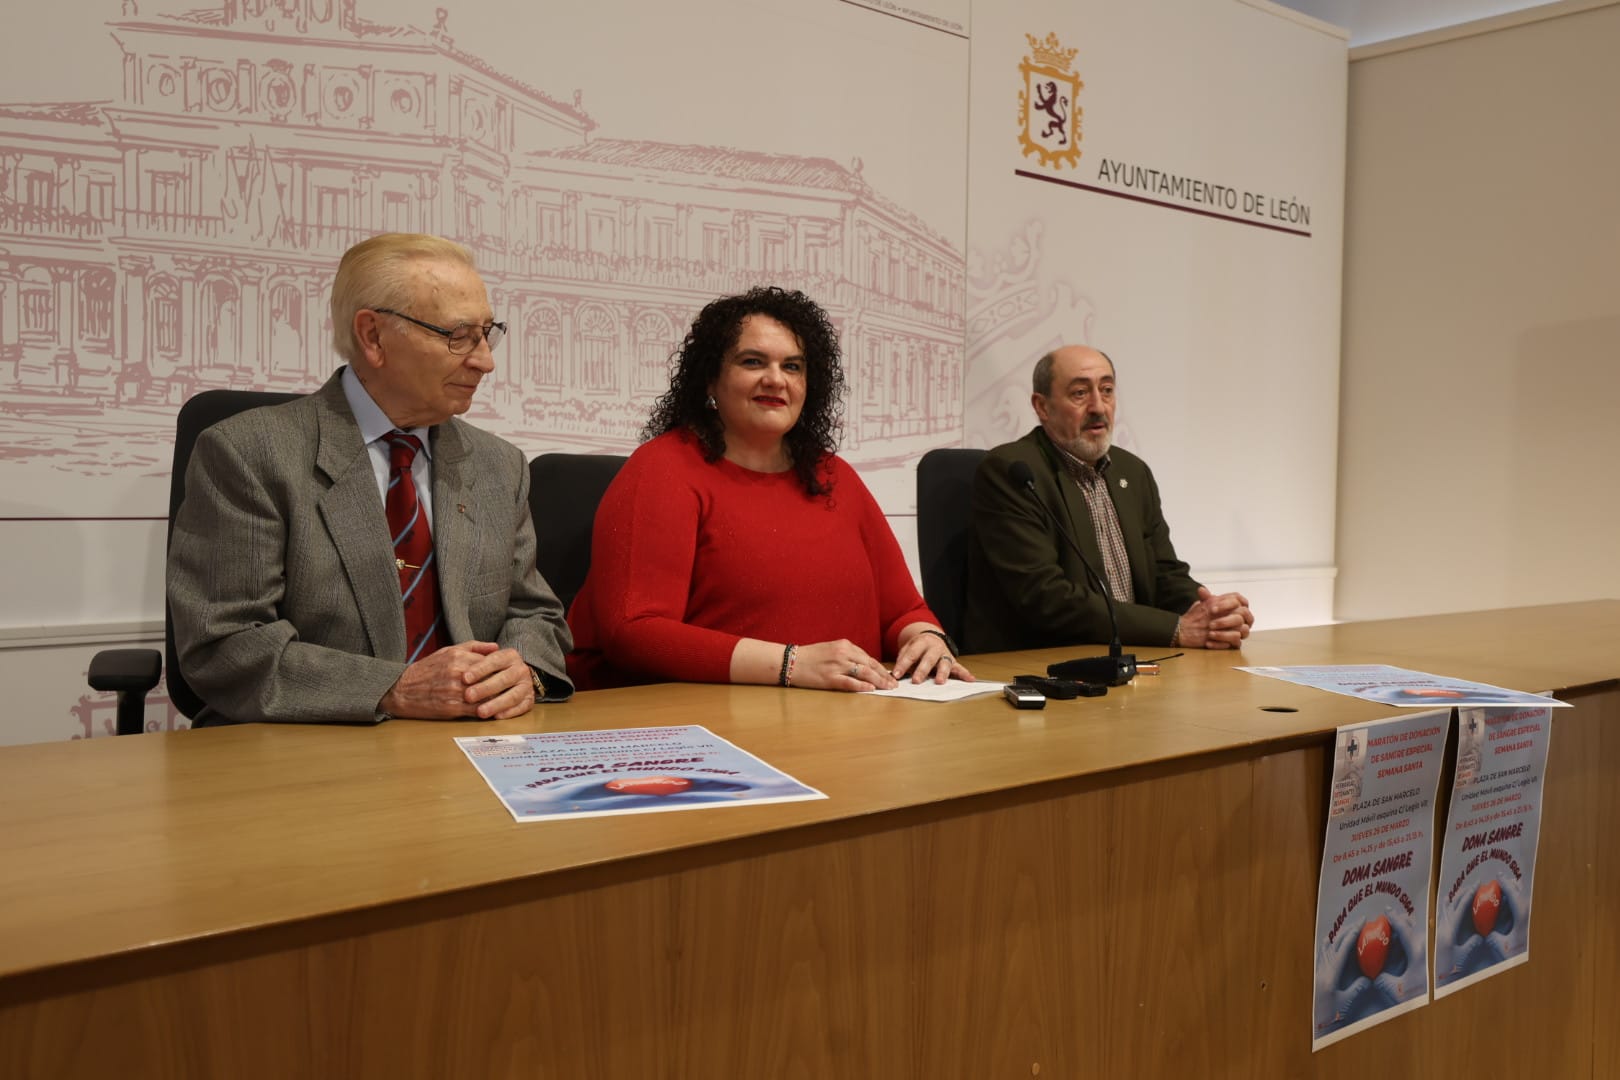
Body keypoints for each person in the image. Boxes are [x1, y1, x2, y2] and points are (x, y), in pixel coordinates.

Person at [169, 233, 572, 726]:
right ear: (374, 336)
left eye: (489, 332)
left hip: (473, 749)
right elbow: (225, 645)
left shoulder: (498, 465)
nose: (485, 360)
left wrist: (521, 670)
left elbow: (536, 614)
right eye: (459, 335)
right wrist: (393, 689)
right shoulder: (249, 454)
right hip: (307, 751)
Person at [566, 286, 972, 692]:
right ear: (710, 379)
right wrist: (791, 664)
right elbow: (634, 631)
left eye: (793, 367)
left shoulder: (835, 476)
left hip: (849, 720)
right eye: (753, 361)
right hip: (701, 726)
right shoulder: (661, 469)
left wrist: (925, 638)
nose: (775, 379)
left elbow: (903, 610)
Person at [962, 345, 1253, 652]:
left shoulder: (1132, 472)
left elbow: (1164, 573)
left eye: (1107, 390)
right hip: (1041, 663)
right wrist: (1176, 629)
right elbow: (1045, 597)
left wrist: (1211, 611)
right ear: (1042, 407)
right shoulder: (1013, 472)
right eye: (1079, 393)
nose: (1098, 407)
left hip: (1130, 660)